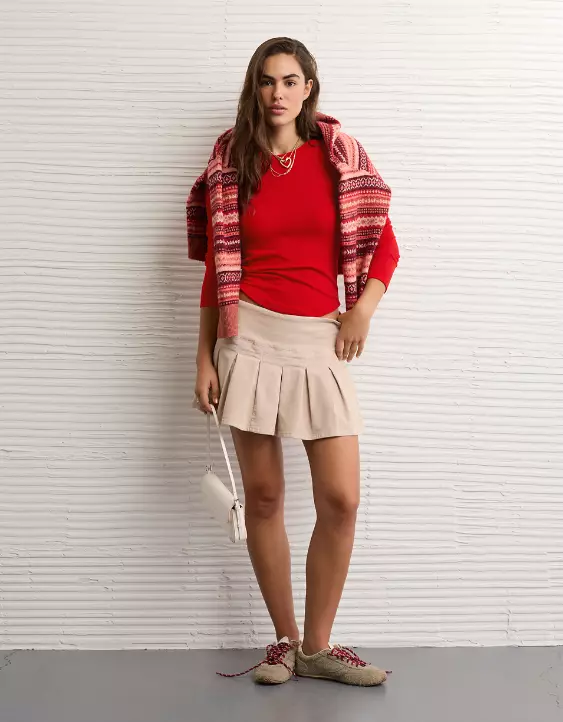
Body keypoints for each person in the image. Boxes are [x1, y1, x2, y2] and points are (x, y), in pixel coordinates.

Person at [187, 37, 399, 686]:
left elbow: (385, 246)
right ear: (254, 90)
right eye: (265, 81)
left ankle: (318, 646)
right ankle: (284, 642)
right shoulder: (231, 163)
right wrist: (203, 358)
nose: (276, 93)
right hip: (247, 336)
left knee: (341, 499)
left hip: (318, 341)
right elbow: (216, 268)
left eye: (288, 81)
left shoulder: (340, 158)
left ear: (308, 88)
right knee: (264, 496)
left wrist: (362, 311)